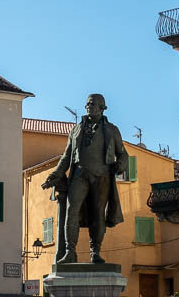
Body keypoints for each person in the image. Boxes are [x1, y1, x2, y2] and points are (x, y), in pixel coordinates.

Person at [43, 93, 128, 264]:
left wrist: (120, 165)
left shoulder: (111, 130)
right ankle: (70, 251)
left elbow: (122, 154)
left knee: (98, 215)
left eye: (93, 104)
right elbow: (66, 156)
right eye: (88, 103)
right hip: (79, 174)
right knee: (71, 211)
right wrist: (55, 174)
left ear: (102, 108)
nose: (89, 106)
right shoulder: (76, 129)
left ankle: (95, 252)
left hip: (101, 176)